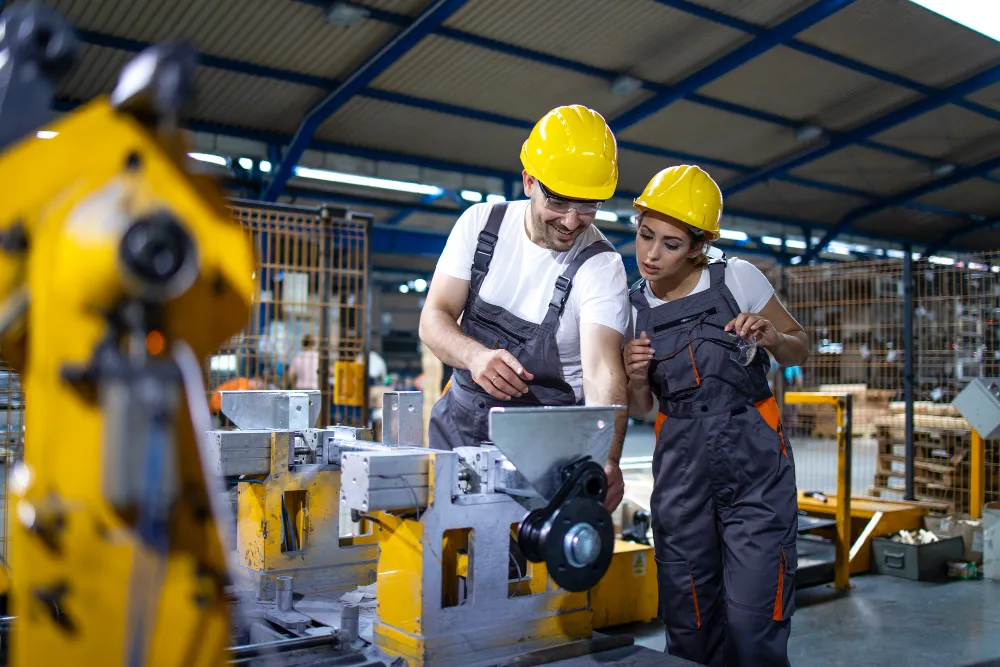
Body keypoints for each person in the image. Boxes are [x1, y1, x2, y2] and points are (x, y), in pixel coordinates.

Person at [622, 165, 809, 667]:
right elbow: (641, 409)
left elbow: (800, 348)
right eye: (645, 237)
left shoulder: (737, 279)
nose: (651, 255)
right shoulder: (631, 306)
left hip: (756, 470)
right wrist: (635, 376)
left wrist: (772, 336)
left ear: (700, 245)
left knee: (755, 620)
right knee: (690, 619)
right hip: (682, 473)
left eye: (671, 244)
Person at [419, 104, 630, 511]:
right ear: (529, 180)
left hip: (545, 455)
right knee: (439, 559)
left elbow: (603, 370)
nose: (572, 221)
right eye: (559, 202)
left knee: (526, 567)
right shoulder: (481, 224)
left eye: (588, 206)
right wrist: (474, 355)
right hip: (457, 431)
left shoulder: (602, 266)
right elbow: (434, 318)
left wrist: (608, 456)